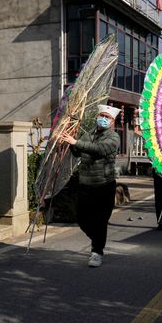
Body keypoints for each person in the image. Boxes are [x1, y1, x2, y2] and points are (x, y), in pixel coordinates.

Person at [57, 104, 120, 267]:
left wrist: (76, 142)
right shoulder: (88, 134)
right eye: (102, 116)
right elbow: (78, 152)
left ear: (113, 121)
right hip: (85, 184)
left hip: (104, 184)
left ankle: (97, 251)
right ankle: (98, 240)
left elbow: (99, 150)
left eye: (107, 117)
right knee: (81, 217)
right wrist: (69, 142)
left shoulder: (113, 137)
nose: (104, 119)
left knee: (100, 220)